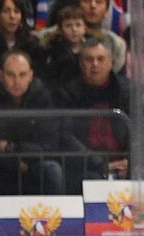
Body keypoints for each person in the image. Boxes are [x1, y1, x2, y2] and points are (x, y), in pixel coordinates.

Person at [0, 48, 64, 231]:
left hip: (31, 165)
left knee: (53, 170)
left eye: (22, 75)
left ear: (31, 75)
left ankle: (52, 230)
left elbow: (50, 145)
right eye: (10, 75)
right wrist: (14, 160)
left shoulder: (43, 97)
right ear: (1, 75)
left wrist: (10, 147)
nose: (17, 81)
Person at [56, 38, 133, 183]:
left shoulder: (127, 91)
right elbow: (66, 136)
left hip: (124, 163)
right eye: (89, 59)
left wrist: (130, 161)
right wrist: (101, 164)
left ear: (111, 63)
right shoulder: (67, 93)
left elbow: (139, 132)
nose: (95, 64)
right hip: (86, 166)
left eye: (101, 59)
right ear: (81, 63)